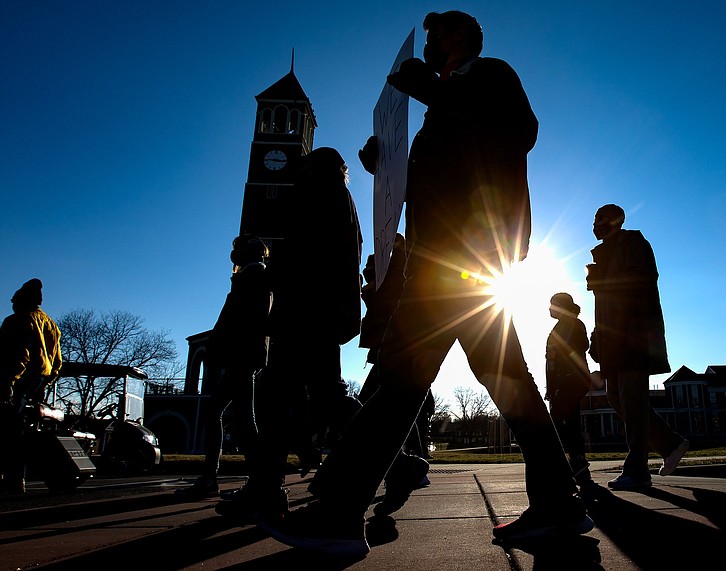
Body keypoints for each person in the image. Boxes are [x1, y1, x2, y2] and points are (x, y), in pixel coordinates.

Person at [258, 11, 593, 557]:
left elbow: (517, 133)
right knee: (501, 376)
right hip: (449, 252)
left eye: (439, 30)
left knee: (402, 374)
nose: (431, 37)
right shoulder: (448, 98)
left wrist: (433, 92)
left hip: (464, 253)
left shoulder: (490, 75)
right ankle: (557, 502)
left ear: (460, 36)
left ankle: (340, 509)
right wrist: (384, 166)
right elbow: (447, 174)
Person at [235, 146, 364, 522]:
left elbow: (306, 255)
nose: (298, 169)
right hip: (321, 312)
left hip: (305, 311)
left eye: (304, 165)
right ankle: (396, 459)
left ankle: (266, 488)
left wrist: (266, 272)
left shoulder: (319, 196)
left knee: (278, 397)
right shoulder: (341, 199)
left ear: (315, 169)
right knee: (326, 395)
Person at [586, 204, 689, 490]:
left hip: (632, 335)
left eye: (601, 219)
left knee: (631, 400)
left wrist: (603, 281)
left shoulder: (633, 243)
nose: (596, 225)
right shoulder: (604, 254)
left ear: (616, 221)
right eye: (594, 220)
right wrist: (598, 338)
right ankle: (670, 444)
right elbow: (605, 306)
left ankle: (637, 470)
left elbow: (644, 279)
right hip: (613, 339)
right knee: (617, 398)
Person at [175, 235, 273, 505]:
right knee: (225, 413)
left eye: (236, 250)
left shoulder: (253, 279)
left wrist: (221, 347)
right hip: (244, 356)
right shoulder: (254, 278)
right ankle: (220, 477)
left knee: (241, 418)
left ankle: (251, 481)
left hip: (241, 357)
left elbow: (238, 321)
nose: (233, 256)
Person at [357, 233, 431, 516]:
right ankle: (406, 466)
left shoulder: (397, 269)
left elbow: (389, 304)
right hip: (388, 344)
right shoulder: (390, 272)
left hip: (394, 343)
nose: (368, 272)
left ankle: (403, 467)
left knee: (373, 404)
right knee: (397, 404)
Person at [0, 278, 62, 494]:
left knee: (9, 431)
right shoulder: (51, 324)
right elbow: (57, 362)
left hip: (18, 380)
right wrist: (48, 381)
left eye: (14, 300)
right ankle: (18, 478)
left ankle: (13, 479)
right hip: (39, 381)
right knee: (24, 431)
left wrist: (8, 382)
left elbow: (18, 356)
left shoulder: (17, 321)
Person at [544, 292, 594, 488]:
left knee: (556, 419)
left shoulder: (571, 325)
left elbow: (574, 349)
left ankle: (576, 462)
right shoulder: (562, 326)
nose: (549, 309)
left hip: (572, 380)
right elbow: (551, 361)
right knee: (570, 421)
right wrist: (551, 386)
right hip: (565, 382)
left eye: (552, 304)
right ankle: (578, 464)